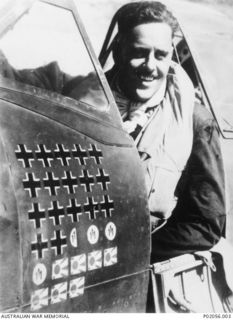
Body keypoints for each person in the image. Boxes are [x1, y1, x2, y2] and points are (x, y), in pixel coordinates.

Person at [105, 1, 226, 262]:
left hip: (133, 265)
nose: (150, 66)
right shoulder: (85, 103)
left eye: (160, 55)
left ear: (171, 54)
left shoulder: (195, 121)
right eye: (139, 52)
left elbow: (205, 226)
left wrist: (124, 253)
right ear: (118, 51)